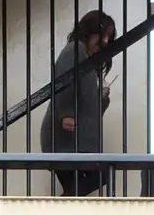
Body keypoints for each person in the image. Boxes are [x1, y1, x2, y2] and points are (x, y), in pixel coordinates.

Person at [40, 10, 117, 197]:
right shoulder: (75, 50)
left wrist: (102, 97)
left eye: (109, 36)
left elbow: (89, 109)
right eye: (103, 34)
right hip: (65, 140)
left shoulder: (88, 62)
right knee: (100, 177)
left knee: (76, 190)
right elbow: (63, 81)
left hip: (73, 141)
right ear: (89, 31)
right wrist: (66, 113)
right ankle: (53, 211)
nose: (106, 41)